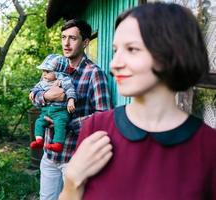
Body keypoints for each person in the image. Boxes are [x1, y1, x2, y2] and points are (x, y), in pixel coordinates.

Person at [59, 2, 216, 200]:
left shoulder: (210, 147)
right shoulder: (96, 129)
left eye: (132, 49)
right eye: (116, 51)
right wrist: (72, 182)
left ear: (172, 53)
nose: (114, 64)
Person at [31, 19, 112, 200]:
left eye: (73, 38)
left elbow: (104, 117)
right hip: (50, 155)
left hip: (75, 158)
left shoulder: (94, 74)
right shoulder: (53, 67)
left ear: (85, 42)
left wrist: (68, 124)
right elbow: (35, 96)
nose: (66, 43)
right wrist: (45, 97)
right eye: (63, 37)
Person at [30, 54, 76, 152]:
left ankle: (58, 143)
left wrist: (71, 100)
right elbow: (36, 89)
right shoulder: (43, 82)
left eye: (47, 71)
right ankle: (39, 140)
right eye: (43, 71)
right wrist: (33, 92)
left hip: (60, 111)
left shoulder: (64, 80)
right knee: (39, 122)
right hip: (46, 111)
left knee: (60, 124)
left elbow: (70, 90)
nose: (44, 74)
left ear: (58, 73)